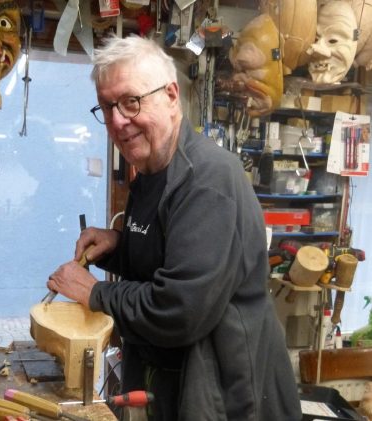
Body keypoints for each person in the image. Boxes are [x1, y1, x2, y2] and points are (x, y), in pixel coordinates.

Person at [48, 34, 302, 421]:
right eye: (107, 107)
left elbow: (180, 309)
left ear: (170, 96)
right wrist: (118, 246)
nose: (117, 121)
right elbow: (170, 257)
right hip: (174, 382)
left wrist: (95, 293)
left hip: (226, 397)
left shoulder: (208, 178)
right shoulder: (151, 171)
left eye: (131, 101)